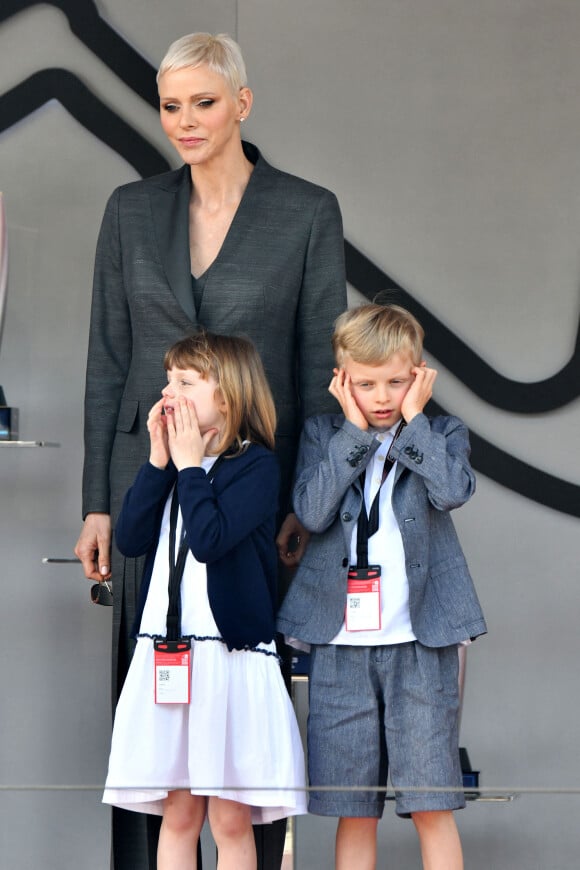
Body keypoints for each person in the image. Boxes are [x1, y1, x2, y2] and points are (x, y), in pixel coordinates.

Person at [74, 31, 346, 869]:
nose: (184, 121)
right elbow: (109, 360)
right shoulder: (129, 209)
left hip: (252, 482)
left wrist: (308, 496)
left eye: (203, 102)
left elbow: (315, 364)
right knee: (153, 703)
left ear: (242, 104)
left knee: (238, 697)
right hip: (144, 472)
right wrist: (97, 498)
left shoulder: (305, 210)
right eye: (170, 105)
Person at [277, 303, 487, 870]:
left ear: (418, 374)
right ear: (342, 378)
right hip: (340, 644)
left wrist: (415, 423)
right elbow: (312, 511)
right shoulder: (325, 434)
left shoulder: (441, 432)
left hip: (421, 642)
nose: (382, 396)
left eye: (397, 381)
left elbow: (450, 492)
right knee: (355, 806)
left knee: (431, 803)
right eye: (366, 383)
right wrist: (352, 432)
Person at [102, 331, 307, 870]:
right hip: (170, 657)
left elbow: (212, 538)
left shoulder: (256, 467)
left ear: (229, 395)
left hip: (227, 657)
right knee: (179, 814)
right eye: (168, 380)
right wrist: (157, 461)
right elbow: (131, 538)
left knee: (229, 818)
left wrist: (191, 466)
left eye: (187, 382)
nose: (169, 392)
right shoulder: (170, 466)